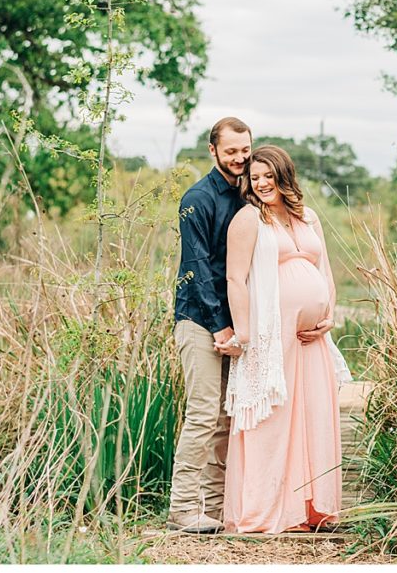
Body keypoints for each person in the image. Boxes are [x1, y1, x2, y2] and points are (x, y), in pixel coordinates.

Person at [218, 145, 350, 534]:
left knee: (313, 414)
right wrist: (242, 333)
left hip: (312, 339)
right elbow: (235, 279)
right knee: (274, 420)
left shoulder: (308, 217)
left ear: (284, 176)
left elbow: (324, 271)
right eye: (254, 178)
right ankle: (268, 508)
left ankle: (310, 507)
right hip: (271, 336)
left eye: (267, 177)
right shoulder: (248, 220)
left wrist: (328, 317)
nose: (260, 184)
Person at [167, 117, 252, 534]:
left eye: (244, 150)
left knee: (226, 417)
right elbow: (197, 266)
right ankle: (183, 509)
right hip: (200, 321)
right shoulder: (196, 199)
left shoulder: (250, 195)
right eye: (231, 151)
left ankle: (215, 509)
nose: (239, 158)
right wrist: (220, 326)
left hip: (236, 325)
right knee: (203, 412)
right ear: (213, 150)